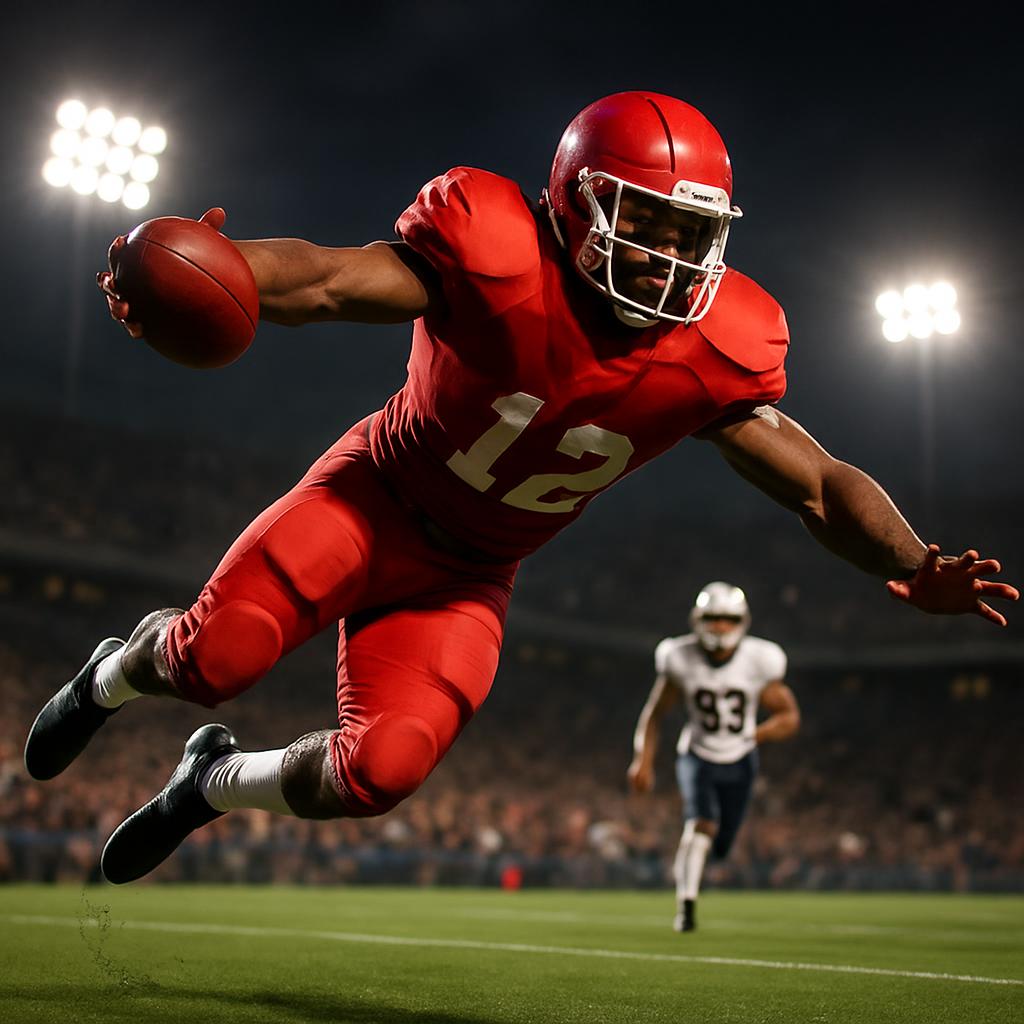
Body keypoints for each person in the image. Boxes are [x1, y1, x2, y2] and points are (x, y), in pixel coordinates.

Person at [23, 91, 1017, 884]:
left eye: (689, 233)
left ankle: (211, 782)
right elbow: (325, 279)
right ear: (572, 203)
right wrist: (221, 268)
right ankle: (109, 674)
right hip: (371, 498)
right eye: (647, 224)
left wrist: (914, 560)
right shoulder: (491, 247)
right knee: (215, 655)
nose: (668, 258)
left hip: (470, 572)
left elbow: (817, 484)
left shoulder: (721, 347)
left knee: (385, 770)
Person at [628, 581, 800, 932]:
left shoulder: (759, 660)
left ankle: (704, 867)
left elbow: (789, 716)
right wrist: (642, 759)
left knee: (722, 845)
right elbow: (654, 714)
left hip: (741, 758)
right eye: (713, 618)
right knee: (701, 823)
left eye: (727, 618)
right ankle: (686, 906)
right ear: (698, 619)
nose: (720, 626)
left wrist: (759, 733)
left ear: (741, 621)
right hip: (698, 754)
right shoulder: (679, 657)